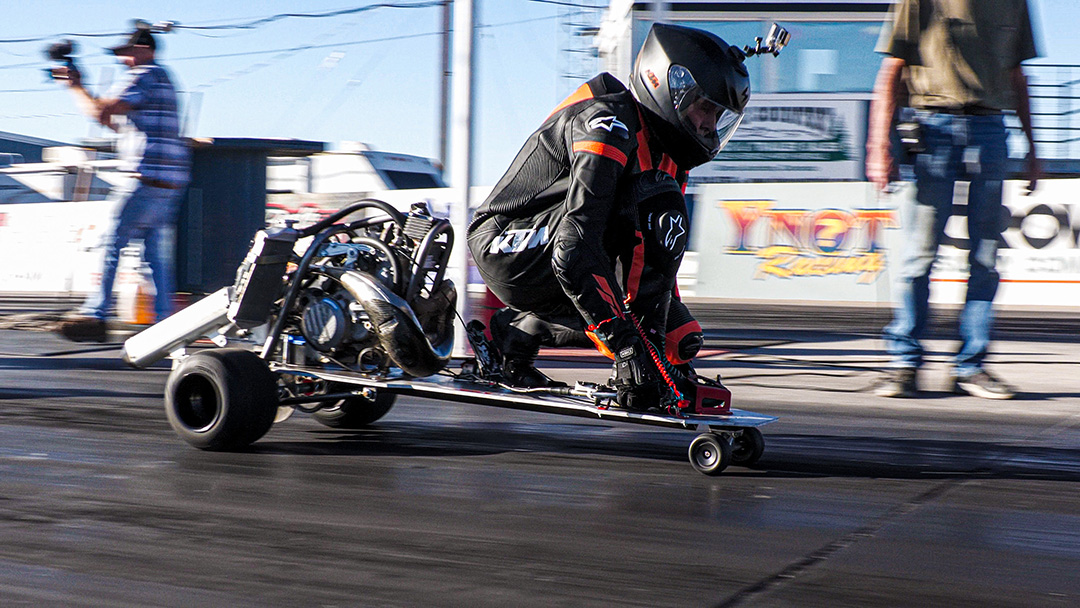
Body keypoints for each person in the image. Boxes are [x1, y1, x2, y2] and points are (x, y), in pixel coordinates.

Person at [467, 23, 751, 411]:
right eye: (705, 108)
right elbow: (575, 247)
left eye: (718, 115)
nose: (709, 126)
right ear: (670, 86)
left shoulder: (669, 155)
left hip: (560, 254)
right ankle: (623, 352)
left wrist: (665, 353)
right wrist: (627, 348)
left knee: (680, 337)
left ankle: (516, 335)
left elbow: (657, 262)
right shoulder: (607, 121)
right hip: (504, 243)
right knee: (638, 228)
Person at [866, 0, 1039, 399]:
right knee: (919, 254)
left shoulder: (1015, 3)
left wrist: (1035, 149)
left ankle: (971, 367)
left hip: (991, 128)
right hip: (932, 127)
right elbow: (892, 68)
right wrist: (879, 146)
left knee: (985, 257)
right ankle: (904, 362)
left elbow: (1018, 76)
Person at [55, 26, 191, 342]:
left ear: (143, 49)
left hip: (144, 177)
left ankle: (96, 314)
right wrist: (82, 91)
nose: (121, 60)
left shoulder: (144, 74)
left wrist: (75, 87)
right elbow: (108, 118)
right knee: (154, 255)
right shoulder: (164, 78)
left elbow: (100, 112)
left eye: (125, 53)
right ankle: (165, 323)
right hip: (170, 180)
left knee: (111, 243)